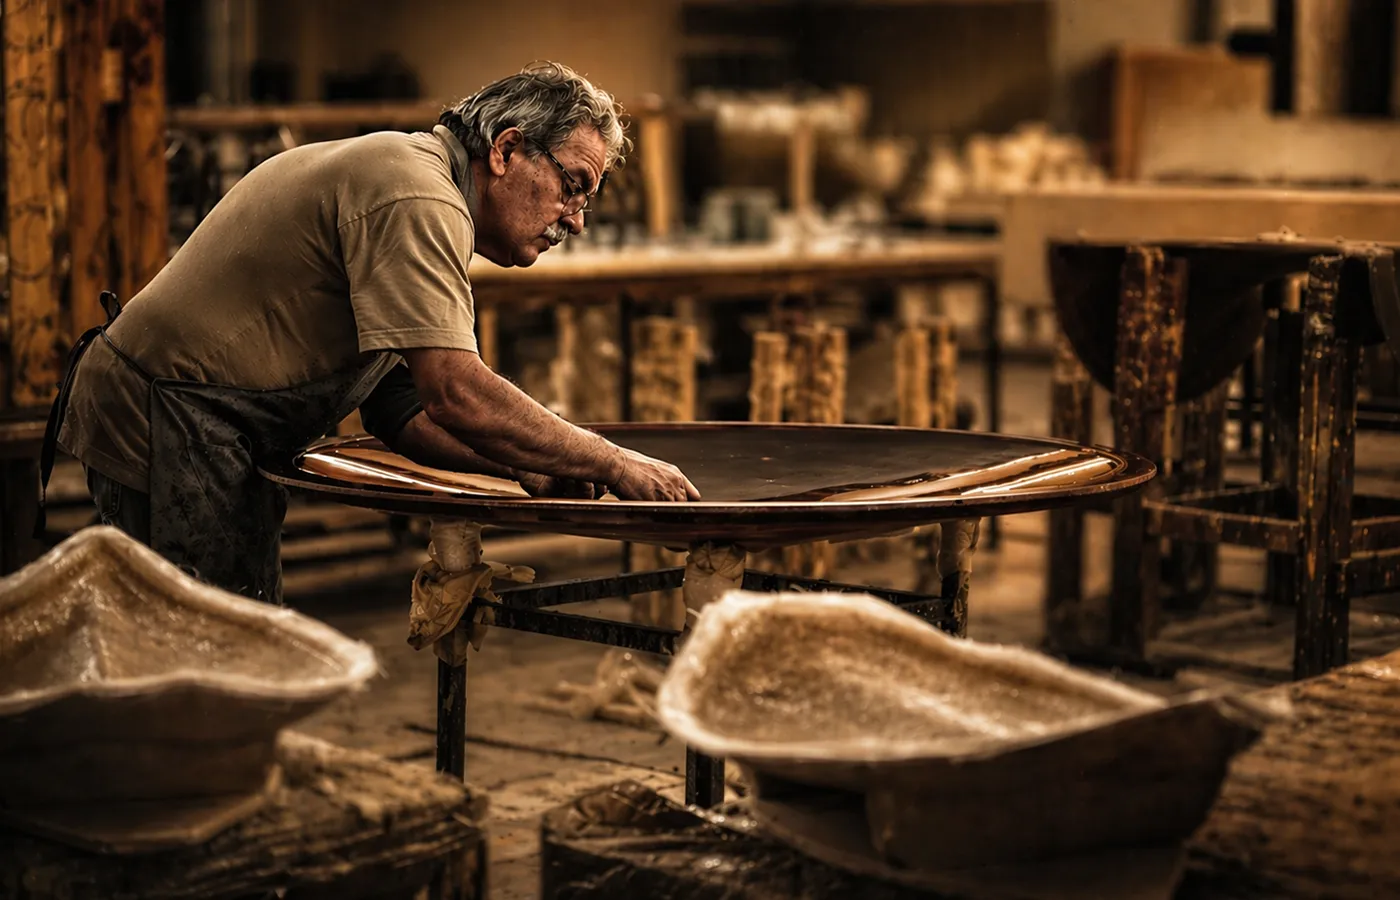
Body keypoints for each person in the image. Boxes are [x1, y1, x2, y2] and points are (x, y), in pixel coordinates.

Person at [41, 61, 699, 605]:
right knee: (201, 656)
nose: (575, 219)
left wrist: (528, 464)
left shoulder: (418, 184)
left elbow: (402, 408)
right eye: (573, 186)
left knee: (231, 647)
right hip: (169, 411)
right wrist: (611, 460)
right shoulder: (418, 196)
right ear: (505, 150)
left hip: (202, 417)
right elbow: (455, 393)